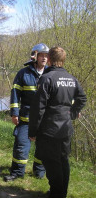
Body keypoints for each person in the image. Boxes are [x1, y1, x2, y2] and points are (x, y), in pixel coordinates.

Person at [29, 47, 86, 197]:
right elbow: (82, 98)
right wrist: (72, 113)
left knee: (51, 162)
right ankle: (62, 193)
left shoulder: (47, 78)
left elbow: (38, 108)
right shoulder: (71, 78)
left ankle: (56, 194)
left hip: (50, 130)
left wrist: (33, 131)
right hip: (66, 129)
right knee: (63, 160)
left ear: (49, 58)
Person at [3, 43, 49, 182]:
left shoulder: (50, 74)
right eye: (41, 55)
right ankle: (17, 173)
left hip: (44, 120)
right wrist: (14, 113)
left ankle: (39, 173)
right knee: (21, 146)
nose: (44, 58)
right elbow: (15, 94)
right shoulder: (23, 73)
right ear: (34, 56)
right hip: (26, 118)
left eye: (46, 56)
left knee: (43, 148)